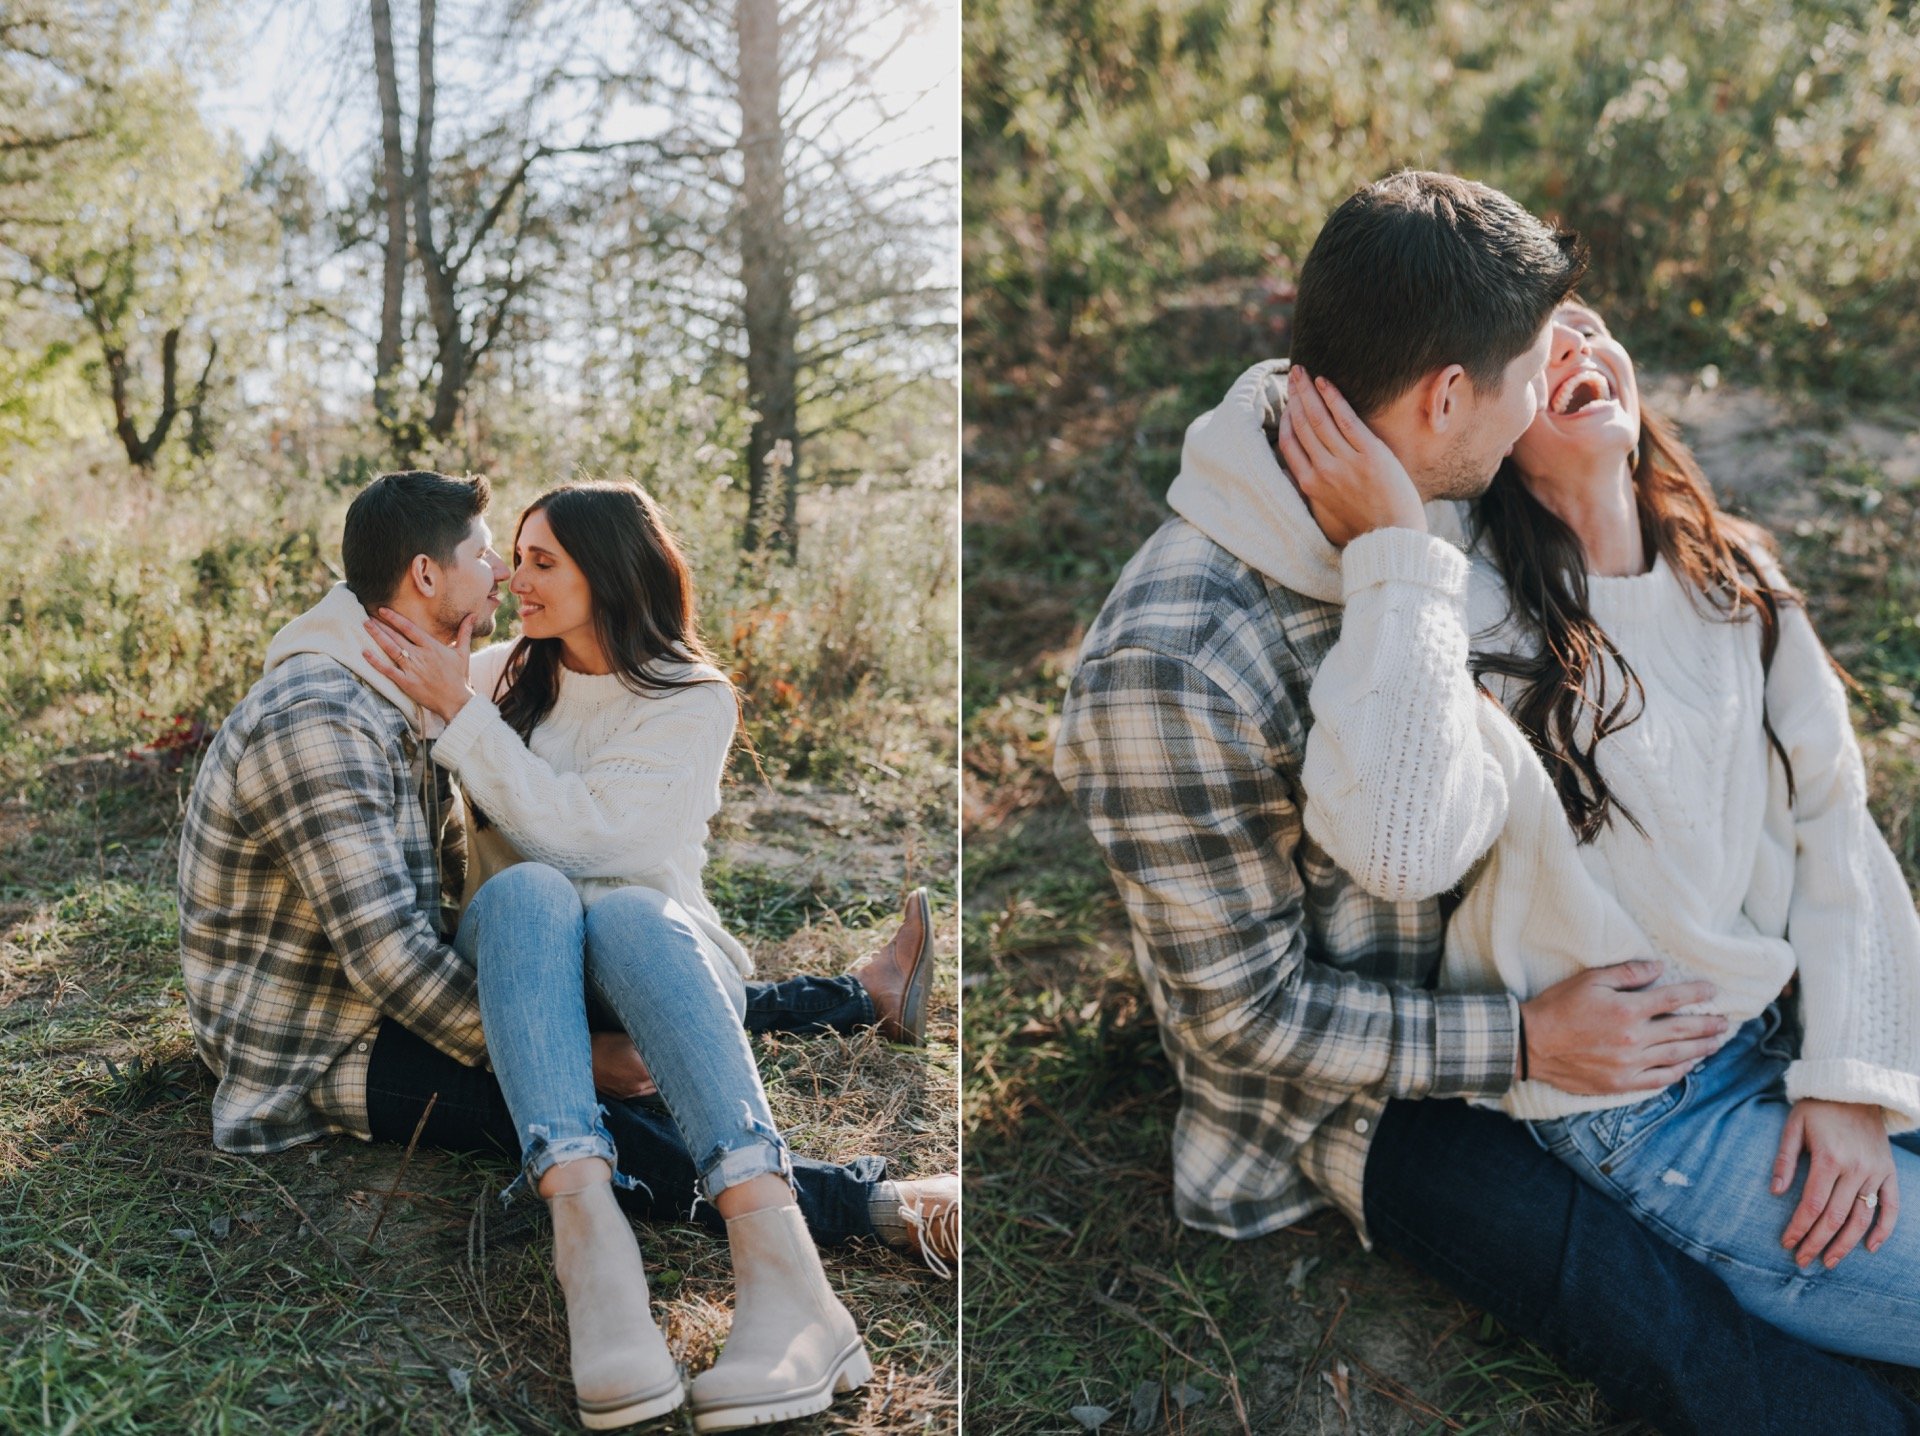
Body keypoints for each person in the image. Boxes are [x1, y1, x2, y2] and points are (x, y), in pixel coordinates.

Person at [1053, 171, 1920, 1433]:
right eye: (1535, 362)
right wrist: (1522, 1041)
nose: (1564, 363)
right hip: (1400, 1081)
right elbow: (1255, 1004)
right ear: (1449, 401)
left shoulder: (1449, 467)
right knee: (1691, 1344)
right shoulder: (1184, 664)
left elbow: (1816, 805)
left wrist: (1847, 1066)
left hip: (1612, 1015)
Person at [178, 470, 956, 1432]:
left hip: (582, 953)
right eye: (492, 555)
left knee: (618, 922)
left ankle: (786, 1255)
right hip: (322, 1039)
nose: (505, 575)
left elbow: (591, 847)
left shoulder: (516, 680)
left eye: (537, 560)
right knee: (552, 1055)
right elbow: (392, 964)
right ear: (426, 576)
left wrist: (457, 710)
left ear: (606, 575)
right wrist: (576, 1050)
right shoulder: (349, 708)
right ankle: (859, 1208)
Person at [1277, 298, 1920, 1362]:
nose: (1575, 344)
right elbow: (1396, 845)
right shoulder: (1469, 608)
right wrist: (1394, 549)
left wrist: (1852, 1081)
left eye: (1587, 322)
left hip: (1791, 1020)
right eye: (1540, 345)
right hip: (1649, 1107)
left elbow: (1835, 818)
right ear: (1488, 418)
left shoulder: (1737, 581)